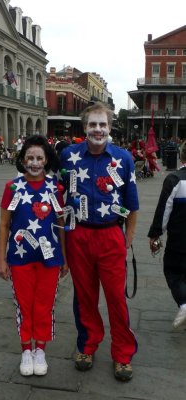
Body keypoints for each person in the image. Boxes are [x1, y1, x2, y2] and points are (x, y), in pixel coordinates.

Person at [60, 102, 139, 382]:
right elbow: (59, 196)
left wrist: (127, 237)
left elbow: (132, 204)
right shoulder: (68, 156)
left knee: (116, 298)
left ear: (110, 127)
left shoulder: (124, 158)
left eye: (102, 124)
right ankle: (87, 345)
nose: (97, 129)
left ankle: (123, 353)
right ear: (85, 128)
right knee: (84, 297)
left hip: (110, 235)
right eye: (92, 124)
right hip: (78, 235)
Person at [0, 135, 68, 377]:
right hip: (19, 258)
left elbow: (60, 224)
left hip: (50, 257)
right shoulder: (12, 188)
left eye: (39, 158)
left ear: (46, 160)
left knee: (45, 305)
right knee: (24, 304)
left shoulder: (55, 188)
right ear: (22, 159)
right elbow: (4, 225)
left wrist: (65, 258)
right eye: (30, 157)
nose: (35, 162)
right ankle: (26, 349)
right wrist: (1, 259)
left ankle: (41, 350)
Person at [148, 140, 186, 330]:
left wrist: (155, 234)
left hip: (180, 241)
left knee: (173, 271)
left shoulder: (175, 180)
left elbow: (164, 210)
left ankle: (184, 304)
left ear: (181, 155)